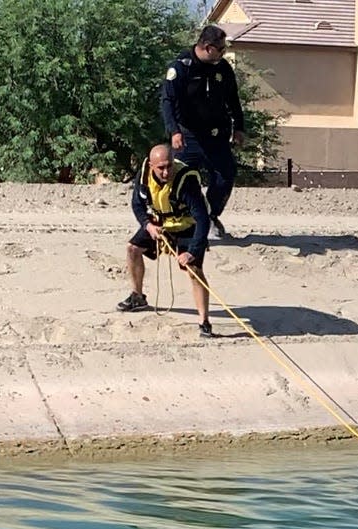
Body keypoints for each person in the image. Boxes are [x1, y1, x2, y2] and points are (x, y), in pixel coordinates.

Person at [116, 143, 215, 338]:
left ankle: (204, 321)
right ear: (152, 165)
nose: (166, 171)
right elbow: (137, 204)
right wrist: (148, 225)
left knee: (194, 270)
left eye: (169, 166)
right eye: (161, 167)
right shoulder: (144, 174)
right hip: (159, 223)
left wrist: (192, 251)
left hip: (187, 225)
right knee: (132, 249)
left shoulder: (186, 181)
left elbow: (203, 219)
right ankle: (137, 297)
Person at [161, 24, 245, 240]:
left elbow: (233, 99)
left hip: (216, 136)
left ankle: (211, 216)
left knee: (225, 175)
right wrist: (174, 131)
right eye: (221, 49)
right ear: (208, 47)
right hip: (188, 137)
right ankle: (178, 222)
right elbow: (168, 101)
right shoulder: (181, 68)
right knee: (177, 180)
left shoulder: (223, 68)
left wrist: (239, 127)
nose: (223, 53)